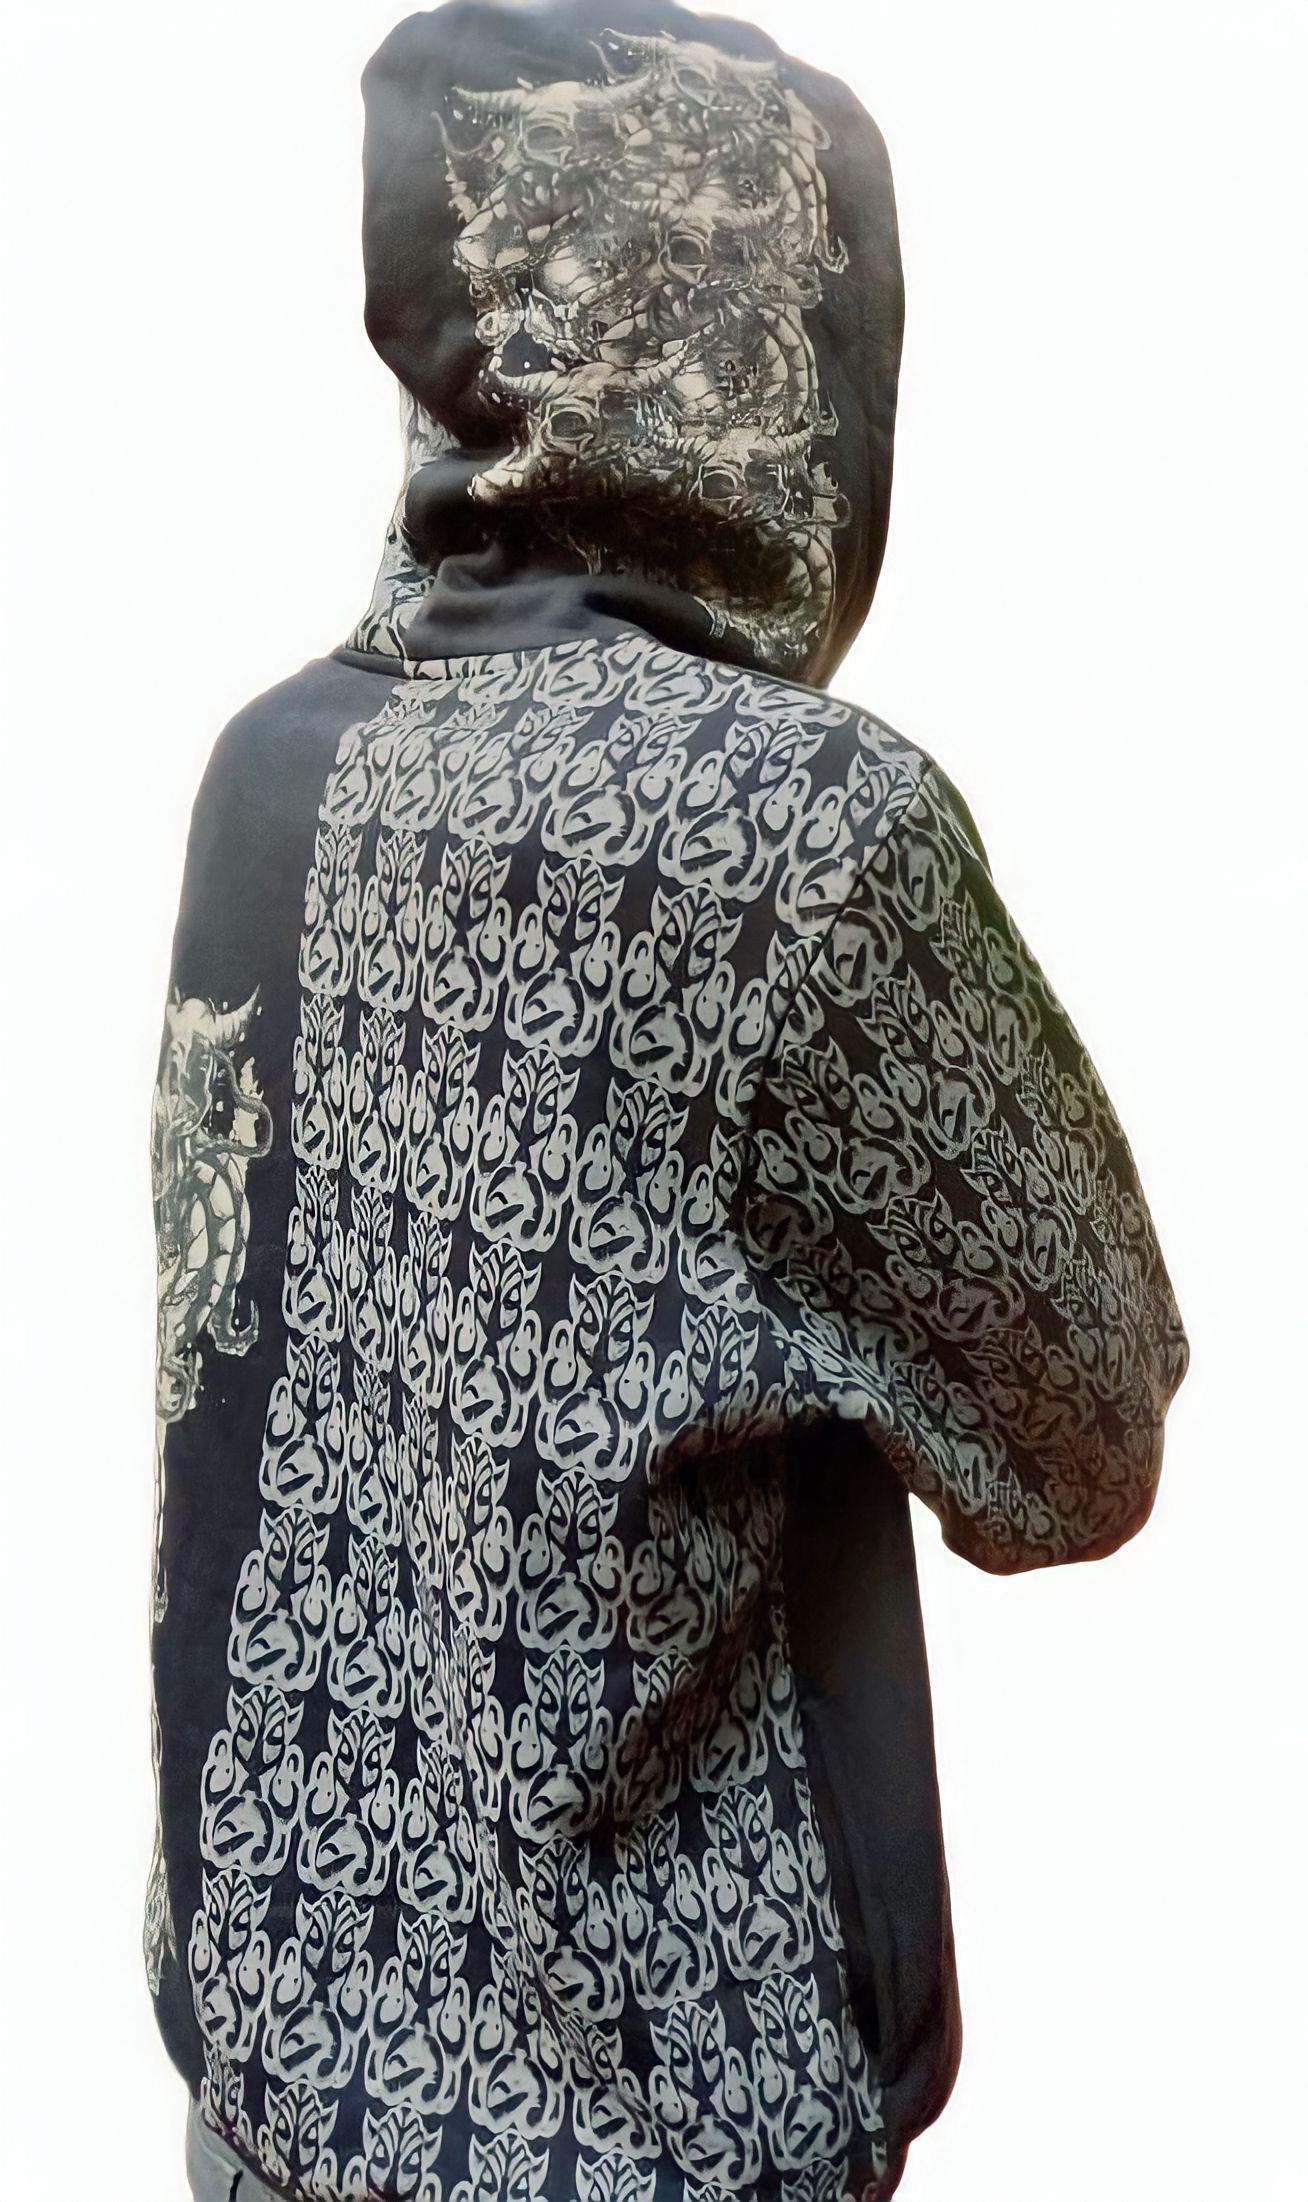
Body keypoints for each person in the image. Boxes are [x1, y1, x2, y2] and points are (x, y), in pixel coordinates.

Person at [145, 3, 1191, 2197]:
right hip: (640, 2139)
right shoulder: (798, 836)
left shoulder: (272, 766)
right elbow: (1080, 1444)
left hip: (259, 2098)